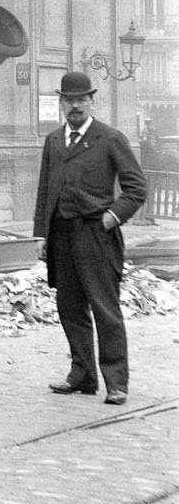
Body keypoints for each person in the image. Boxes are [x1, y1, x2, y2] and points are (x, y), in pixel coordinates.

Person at [33, 70, 146, 405]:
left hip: (97, 234)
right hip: (61, 236)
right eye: (69, 100)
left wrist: (112, 217)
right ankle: (82, 374)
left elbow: (137, 188)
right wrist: (40, 233)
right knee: (69, 308)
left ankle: (116, 382)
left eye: (81, 99)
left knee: (104, 308)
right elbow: (44, 191)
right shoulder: (54, 141)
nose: (75, 106)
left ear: (92, 101)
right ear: (61, 103)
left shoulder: (110, 138)